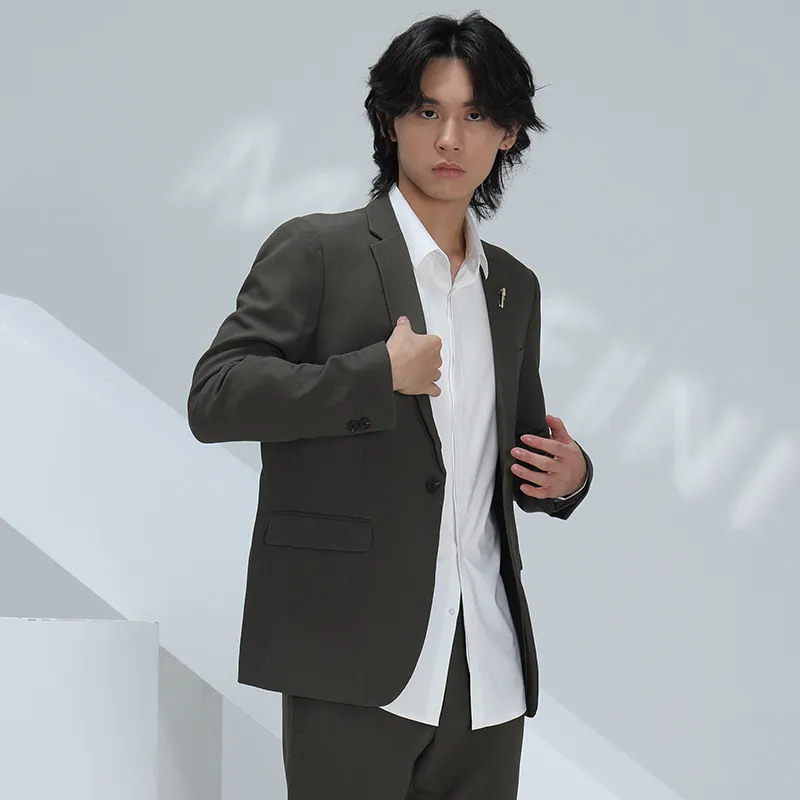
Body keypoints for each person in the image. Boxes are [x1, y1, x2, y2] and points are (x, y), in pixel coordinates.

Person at [187, 10, 593, 799]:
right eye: (428, 110)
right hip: (351, 655)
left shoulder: (512, 287)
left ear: (508, 133)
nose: (450, 138)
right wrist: (376, 375)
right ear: (390, 119)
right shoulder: (318, 250)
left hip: (486, 665)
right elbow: (217, 396)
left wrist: (567, 478)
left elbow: (509, 454)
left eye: (475, 115)